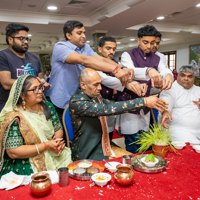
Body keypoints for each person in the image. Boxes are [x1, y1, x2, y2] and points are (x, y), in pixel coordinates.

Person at [47, 20, 134, 126]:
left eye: (84, 32)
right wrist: (115, 70)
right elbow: (84, 60)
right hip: (60, 100)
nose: (83, 36)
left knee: (79, 135)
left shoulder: (85, 47)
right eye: (79, 33)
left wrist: (122, 67)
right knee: (64, 136)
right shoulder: (60, 47)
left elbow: (101, 59)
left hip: (78, 100)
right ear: (68, 35)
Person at [69, 68, 168, 161]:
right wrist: (144, 101)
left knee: (131, 161)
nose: (99, 88)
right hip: (88, 151)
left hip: (102, 145)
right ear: (83, 85)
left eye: (100, 84)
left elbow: (113, 105)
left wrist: (144, 102)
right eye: (96, 85)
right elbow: (107, 109)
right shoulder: (77, 102)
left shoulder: (94, 96)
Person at [0, 75, 72, 178]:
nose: (40, 91)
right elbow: (13, 152)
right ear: (22, 95)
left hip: (54, 152)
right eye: (34, 89)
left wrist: (57, 143)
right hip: (27, 161)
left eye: (40, 87)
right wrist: (46, 146)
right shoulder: (15, 116)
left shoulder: (47, 106)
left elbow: (58, 128)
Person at [116, 25, 173, 153]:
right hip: (130, 104)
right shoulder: (128, 55)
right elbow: (129, 72)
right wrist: (148, 70)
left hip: (146, 105)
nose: (149, 46)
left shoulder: (157, 57)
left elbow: (164, 69)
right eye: (145, 42)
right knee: (132, 141)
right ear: (138, 40)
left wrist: (168, 74)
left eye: (152, 42)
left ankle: (144, 165)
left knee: (144, 139)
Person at [97, 36, 148, 139]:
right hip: (96, 106)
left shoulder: (117, 64)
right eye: (108, 48)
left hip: (110, 104)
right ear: (99, 49)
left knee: (109, 136)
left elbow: (127, 77)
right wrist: (128, 84)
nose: (111, 51)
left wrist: (137, 83)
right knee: (98, 137)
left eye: (114, 49)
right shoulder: (94, 62)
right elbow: (105, 80)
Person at [0, 23, 51, 112]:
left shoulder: (34, 58)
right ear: (10, 39)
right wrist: (35, 83)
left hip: (33, 107)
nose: (26, 41)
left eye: (27, 39)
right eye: (21, 38)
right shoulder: (3, 56)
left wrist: (43, 84)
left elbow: (41, 79)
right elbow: (6, 83)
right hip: (10, 107)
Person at [160, 65, 200, 142]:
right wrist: (165, 111)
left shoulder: (198, 90)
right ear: (177, 76)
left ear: (194, 78)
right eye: (183, 75)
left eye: (190, 76)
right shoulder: (170, 88)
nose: (186, 78)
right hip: (180, 130)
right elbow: (166, 100)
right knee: (190, 148)